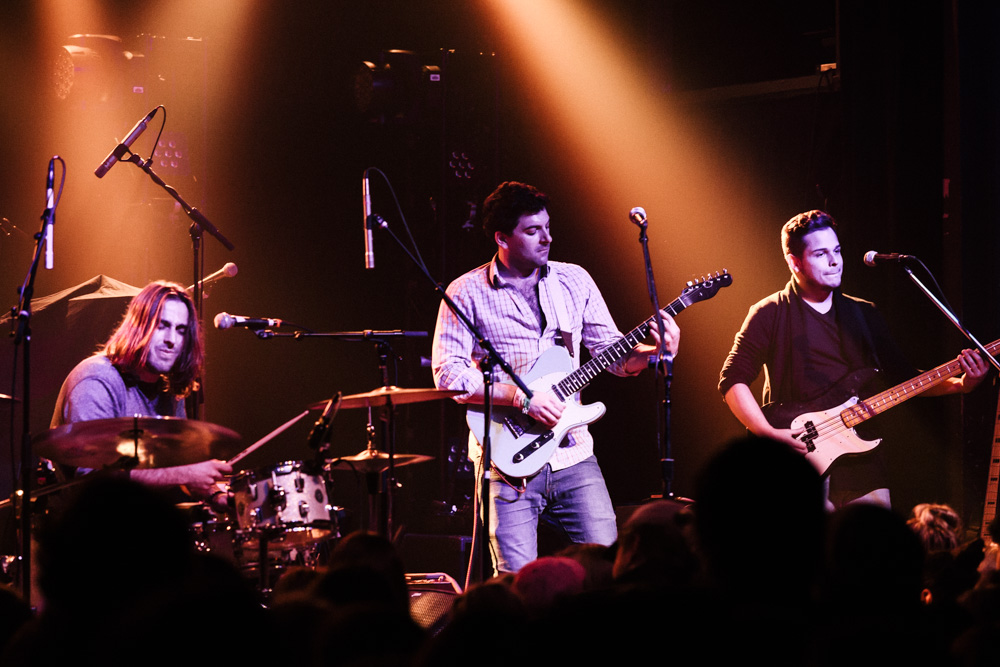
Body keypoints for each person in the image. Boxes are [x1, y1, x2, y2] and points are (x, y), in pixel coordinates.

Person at [432, 181, 680, 574]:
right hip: (506, 462)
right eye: (533, 231)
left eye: (547, 227)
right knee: (515, 580)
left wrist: (655, 355)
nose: (547, 238)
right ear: (502, 238)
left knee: (610, 569)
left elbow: (613, 355)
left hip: (574, 453)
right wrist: (520, 398)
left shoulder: (574, 280)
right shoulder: (465, 292)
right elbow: (449, 376)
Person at [719, 209, 987, 509]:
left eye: (837, 251)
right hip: (800, 455)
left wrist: (961, 384)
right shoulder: (769, 313)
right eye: (821, 254)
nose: (835, 261)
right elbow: (733, 378)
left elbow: (905, 379)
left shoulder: (864, 313)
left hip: (863, 457)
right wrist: (768, 433)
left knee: (873, 550)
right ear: (794, 262)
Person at [50, 280, 231, 499]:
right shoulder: (96, 379)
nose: (171, 340)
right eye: (161, 326)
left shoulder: (168, 391)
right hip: (86, 526)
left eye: (181, 330)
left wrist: (213, 494)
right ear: (138, 327)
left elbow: (176, 466)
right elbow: (96, 480)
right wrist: (185, 474)